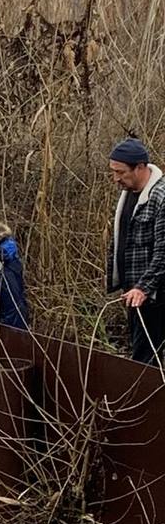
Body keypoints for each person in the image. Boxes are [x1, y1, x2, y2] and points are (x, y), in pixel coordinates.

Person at [106, 137, 165, 366]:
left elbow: (163, 251)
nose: (115, 178)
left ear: (140, 167)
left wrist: (143, 287)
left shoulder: (160, 198)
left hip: (155, 295)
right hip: (135, 292)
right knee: (143, 352)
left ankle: (144, 399)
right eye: (113, 171)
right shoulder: (129, 193)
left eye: (120, 172)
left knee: (144, 359)